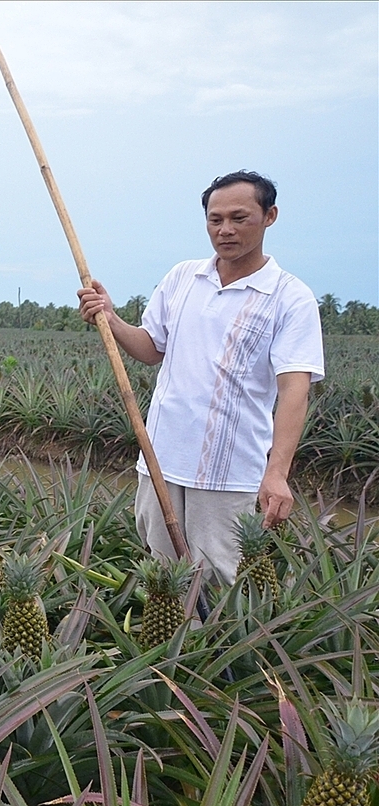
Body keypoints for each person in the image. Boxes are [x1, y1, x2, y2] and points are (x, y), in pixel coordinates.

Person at [77, 170, 324, 586]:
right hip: (161, 459)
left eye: (239, 218)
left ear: (270, 217)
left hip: (231, 469)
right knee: (164, 576)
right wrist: (111, 317)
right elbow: (151, 349)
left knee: (224, 577)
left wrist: (277, 472)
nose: (225, 230)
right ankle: (174, 648)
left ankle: (223, 649)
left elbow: (293, 389)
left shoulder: (290, 297)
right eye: (215, 219)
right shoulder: (182, 278)